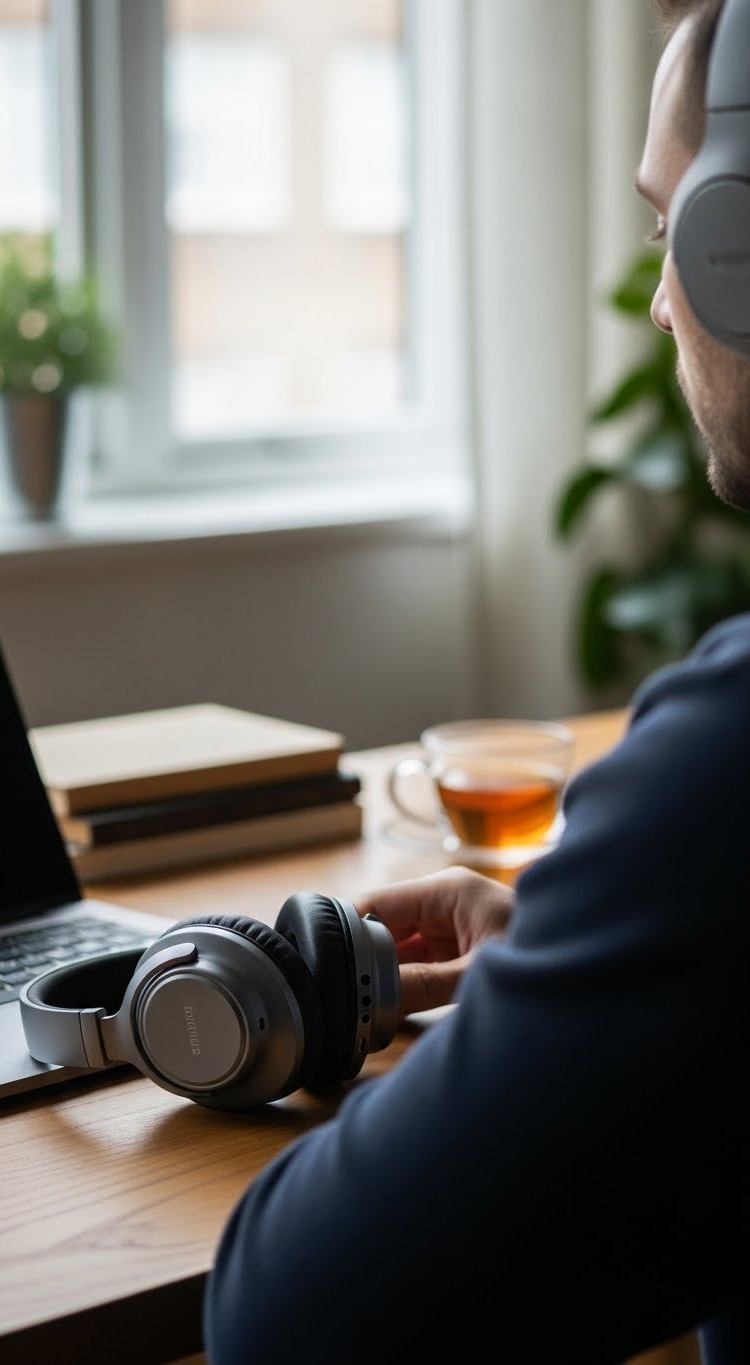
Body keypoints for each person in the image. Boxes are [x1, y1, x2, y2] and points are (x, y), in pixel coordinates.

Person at [203, 3, 749, 1361]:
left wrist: (508, 1044)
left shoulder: (728, 773)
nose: (662, 297)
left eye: (666, 229)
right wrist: (576, 987)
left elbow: (287, 1326)